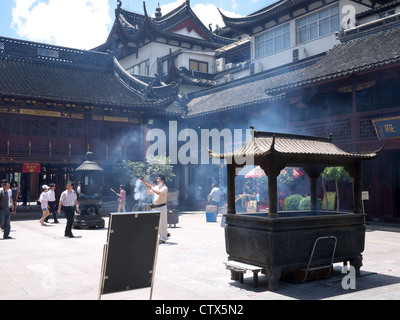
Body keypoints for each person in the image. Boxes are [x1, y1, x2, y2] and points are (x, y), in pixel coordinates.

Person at [143, 175, 168, 244]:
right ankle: (160, 236)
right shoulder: (156, 187)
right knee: (157, 223)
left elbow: (158, 192)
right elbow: (149, 193)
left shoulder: (165, 188)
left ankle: (163, 238)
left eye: (158, 179)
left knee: (162, 223)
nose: (157, 181)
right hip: (156, 207)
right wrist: (148, 188)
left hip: (162, 207)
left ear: (162, 181)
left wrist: (151, 187)